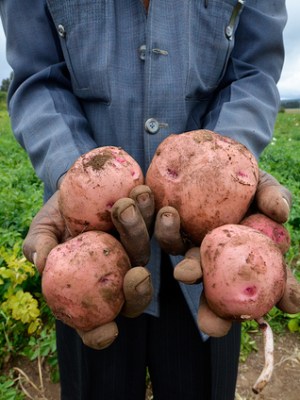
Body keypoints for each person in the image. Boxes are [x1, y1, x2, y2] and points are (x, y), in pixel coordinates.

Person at [0, 1, 291, 399]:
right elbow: (38, 77)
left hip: (207, 260)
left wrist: (227, 163)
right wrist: (79, 179)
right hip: (89, 248)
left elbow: (255, 70)